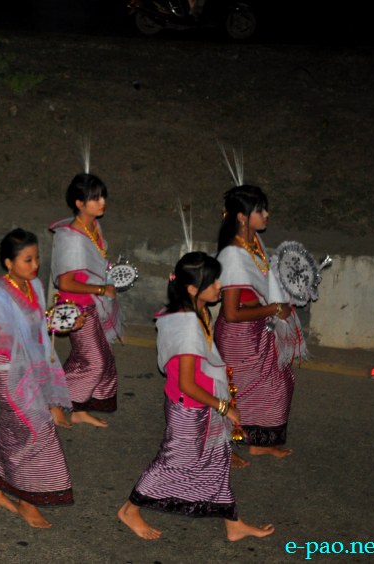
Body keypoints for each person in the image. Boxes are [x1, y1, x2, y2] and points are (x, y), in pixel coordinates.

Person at [118, 252, 274, 541]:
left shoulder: (198, 311)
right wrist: (225, 407)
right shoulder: (187, 324)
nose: (220, 286)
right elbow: (188, 384)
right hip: (189, 407)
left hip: (204, 402)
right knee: (173, 461)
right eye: (213, 282)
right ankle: (130, 508)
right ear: (192, 289)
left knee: (218, 458)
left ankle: (232, 522)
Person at [0, 228, 74, 529]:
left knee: (14, 431)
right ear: (8, 263)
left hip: (30, 371)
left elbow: (39, 334)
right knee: (39, 430)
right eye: (27, 260)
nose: (35, 265)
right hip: (6, 375)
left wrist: (63, 322)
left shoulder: (34, 287)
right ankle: (27, 501)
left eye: (36, 258)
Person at [214, 185, 295, 462]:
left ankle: (259, 442)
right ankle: (221, 448)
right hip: (238, 336)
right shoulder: (233, 255)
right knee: (234, 393)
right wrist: (273, 307)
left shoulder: (254, 242)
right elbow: (231, 313)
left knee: (276, 384)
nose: (266, 214)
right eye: (259, 210)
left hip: (258, 327)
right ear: (241, 217)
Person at [49, 173, 121, 427]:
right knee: (93, 361)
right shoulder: (71, 238)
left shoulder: (93, 227)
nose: (102, 202)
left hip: (93, 303)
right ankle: (52, 402)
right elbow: (65, 282)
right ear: (79, 203)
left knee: (98, 356)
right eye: (94, 198)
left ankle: (79, 408)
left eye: (102, 196)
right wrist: (102, 290)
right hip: (77, 308)